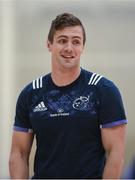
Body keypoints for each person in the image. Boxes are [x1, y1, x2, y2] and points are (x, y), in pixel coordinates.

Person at [9, 12, 127, 179]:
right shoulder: (31, 94)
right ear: (49, 44)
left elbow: (116, 152)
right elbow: (19, 153)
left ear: (83, 47)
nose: (69, 48)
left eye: (76, 42)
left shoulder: (103, 90)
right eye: (62, 41)